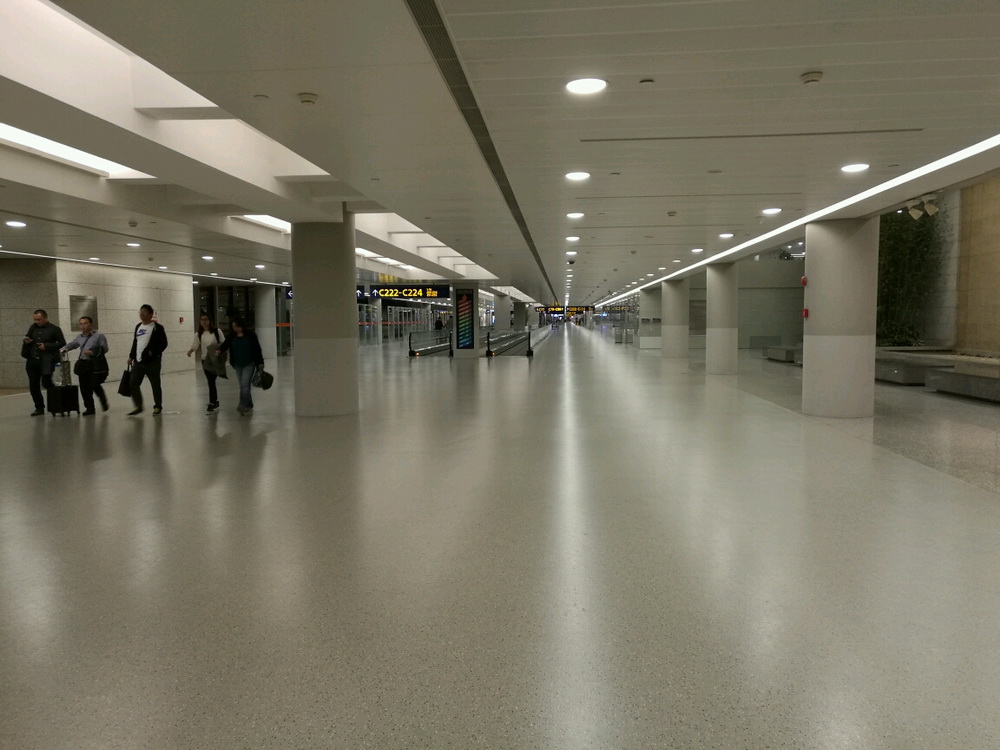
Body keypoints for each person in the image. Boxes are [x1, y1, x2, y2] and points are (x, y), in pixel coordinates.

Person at [61, 316, 109, 416]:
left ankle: (103, 399)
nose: (83, 326)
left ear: (90, 324)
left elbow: (105, 348)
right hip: (83, 364)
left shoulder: (99, 336)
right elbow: (74, 344)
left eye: (85, 323)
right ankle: (90, 408)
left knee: (94, 385)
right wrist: (65, 348)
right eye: (81, 324)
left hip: (94, 364)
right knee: (84, 388)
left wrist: (92, 352)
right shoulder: (79, 337)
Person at [22, 309, 66, 417]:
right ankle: (39, 407)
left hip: (47, 360)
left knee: (47, 383)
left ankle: (57, 406)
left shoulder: (54, 329)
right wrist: (27, 341)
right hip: (33, 360)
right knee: (33, 385)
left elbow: (62, 343)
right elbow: (28, 339)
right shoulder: (33, 328)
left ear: (46, 317)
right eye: (35, 319)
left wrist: (46, 346)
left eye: (39, 319)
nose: (37, 321)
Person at [216, 317, 264, 415]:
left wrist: (260, 363)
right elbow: (225, 344)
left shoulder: (250, 335)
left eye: (238, 326)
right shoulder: (231, 336)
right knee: (243, 385)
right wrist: (220, 350)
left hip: (249, 363)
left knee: (245, 384)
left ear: (242, 325)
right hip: (237, 364)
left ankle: (243, 405)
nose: (236, 328)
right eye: (234, 326)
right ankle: (249, 403)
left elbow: (257, 349)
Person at [127, 304, 168, 416]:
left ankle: (158, 406)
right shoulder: (138, 326)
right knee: (133, 383)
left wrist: (152, 353)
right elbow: (135, 343)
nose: (141, 314)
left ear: (150, 314)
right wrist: (131, 356)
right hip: (138, 361)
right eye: (140, 312)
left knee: (155, 385)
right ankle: (138, 406)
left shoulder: (157, 328)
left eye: (144, 312)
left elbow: (164, 344)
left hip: (152, 362)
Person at [186, 312, 227, 414]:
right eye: (202, 320)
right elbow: (195, 345)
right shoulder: (198, 334)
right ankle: (213, 402)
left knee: (211, 381)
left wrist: (220, 351)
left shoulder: (217, 331)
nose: (204, 322)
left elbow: (224, 343)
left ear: (210, 321)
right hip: (205, 360)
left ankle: (213, 402)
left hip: (216, 359)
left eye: (206, 319)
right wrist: (190, 351)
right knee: (211, 381)